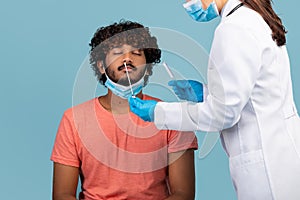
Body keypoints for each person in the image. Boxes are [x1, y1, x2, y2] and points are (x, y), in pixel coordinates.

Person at [129, 0, 300, 199]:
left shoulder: (234, 29)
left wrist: (158, 111)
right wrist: (206, 94)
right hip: (284, 155)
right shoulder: (254, 19)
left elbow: (223, 114)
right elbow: (258, 93)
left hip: (267, 169)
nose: (187, 4)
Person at [50, 20, 198, 200]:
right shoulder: (73, 119)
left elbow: (183, 194)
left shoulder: (173, 118)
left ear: (148, 66)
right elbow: (62, 195)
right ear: (101, 66)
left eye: (136, 53)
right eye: (117, 53)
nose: (127, 58)